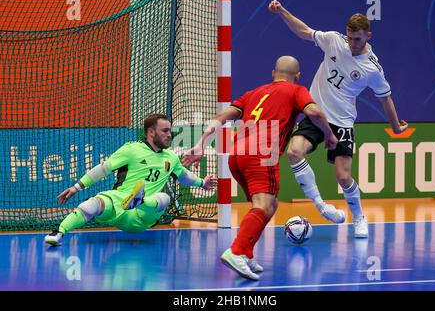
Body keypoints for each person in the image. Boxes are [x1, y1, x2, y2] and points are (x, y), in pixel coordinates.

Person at [182, 56, 338, 280]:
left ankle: (245, 252)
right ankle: (236, 251)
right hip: (262, 153)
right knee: (263, 205)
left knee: (270, 204)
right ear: (298, 76)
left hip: (236, 154)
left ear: (273, 73)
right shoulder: (296, 90)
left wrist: (200, 144)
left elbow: (221, 117)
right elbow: (313, 112)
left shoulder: (252, 93)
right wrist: (329, 135)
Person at [268, 0, 408, 237]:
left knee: (343, 178)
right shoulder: (334, 41)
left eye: (358, 39)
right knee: (293, 152)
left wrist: (395, 127)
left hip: (342, 122)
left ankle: (359, 217)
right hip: (315, 114)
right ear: (346, 33)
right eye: (351, 38)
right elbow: (304, 31)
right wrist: (281, 11)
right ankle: (322, 207)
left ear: (368, 36)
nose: (353, 44)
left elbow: (385, 98)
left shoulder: (372, 69)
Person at [45, 113, 217, 246]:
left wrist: (202, 183)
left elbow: (183, 176)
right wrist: (76, 187)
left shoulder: (171, 157)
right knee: (93, 203)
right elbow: (103, 169)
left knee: (164, 198)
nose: (169, 135)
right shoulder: (131, 149)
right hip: (121, 202)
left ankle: (139, 201)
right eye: (165, 130)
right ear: (151, 132)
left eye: (170, 131)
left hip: (144, 216)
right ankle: (58, 232)